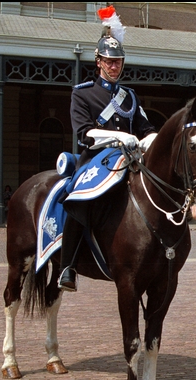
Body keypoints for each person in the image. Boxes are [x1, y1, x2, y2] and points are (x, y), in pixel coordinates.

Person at [58, 5, 157, 292]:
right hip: (96, 161)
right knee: (80, 198)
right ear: (98, 61)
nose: (114, 67)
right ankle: (68, 266)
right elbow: (84, 134)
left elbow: (146, 129)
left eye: (118, 62)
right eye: (109, 62)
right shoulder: (83, 93)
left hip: (130, 161)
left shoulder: (131, 97)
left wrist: (152, 140)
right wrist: (118, 139)